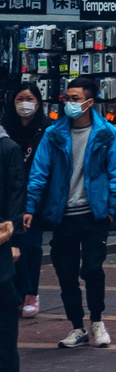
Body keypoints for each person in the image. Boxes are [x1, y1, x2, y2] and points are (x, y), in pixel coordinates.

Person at [24, 76, 116, 349]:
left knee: (92, 269)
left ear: (90, 102)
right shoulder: (54, 134)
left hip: (94, 215)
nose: (69, 103)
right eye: (67, 98)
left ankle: (97, 322)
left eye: (75, 98)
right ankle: (77, 327)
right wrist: (31, 207)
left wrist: (111, 208)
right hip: (63, 215)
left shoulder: (106, 133)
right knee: (65, 272)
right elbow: (39, 172)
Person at [5, 81, 39, 319]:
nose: (24, 104)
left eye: (29, 99)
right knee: (10, 244)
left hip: (34, 197)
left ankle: (30, 293)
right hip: (10, 193)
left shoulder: (45, 130)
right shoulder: (6, 130)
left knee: (30, 246)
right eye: (19, 99)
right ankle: (15, 292)